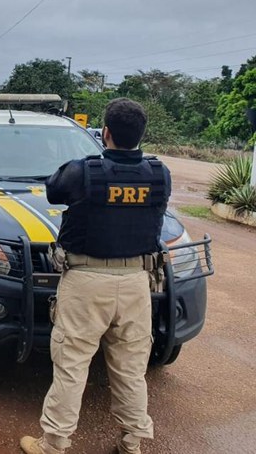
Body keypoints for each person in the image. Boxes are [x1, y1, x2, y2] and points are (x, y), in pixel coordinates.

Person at [20, 98, 171, 454]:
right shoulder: (159, 173)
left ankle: (54, 444)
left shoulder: (83, 171)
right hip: (137, 282)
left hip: (86, 280)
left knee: (72, 363)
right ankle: (132, 443)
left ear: (105, 133)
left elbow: (53, 189)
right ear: (141, 135)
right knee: (131, 368)